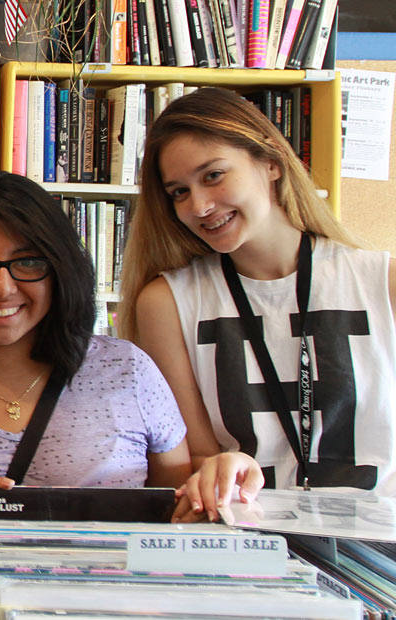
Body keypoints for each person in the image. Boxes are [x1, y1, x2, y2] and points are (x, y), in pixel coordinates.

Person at [122, 87, 395, 519]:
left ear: (270, 162)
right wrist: (220, 471)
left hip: (377, 552)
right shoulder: (167, 302)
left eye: (212, 175)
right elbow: (192, 460)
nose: (200, 206)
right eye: (178, 192)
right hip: (245, 543)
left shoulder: (383, 281)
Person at [0, 172, 190, 489]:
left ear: (59, 269)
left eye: (28, 261)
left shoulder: (128, 369)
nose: (1, 287)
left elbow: (177, 514)